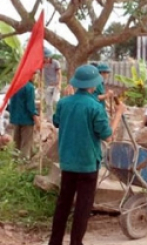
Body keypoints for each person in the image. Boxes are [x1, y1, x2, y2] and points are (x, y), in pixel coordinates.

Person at [48, 65, 126, 245]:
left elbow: (56, 122)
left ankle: (55, 241)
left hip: (67, 162)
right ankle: (76, 242)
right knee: (83, 206)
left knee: (63, 204)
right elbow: (107, 135)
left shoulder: (64, 102)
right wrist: (118, 115)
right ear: (93, 85)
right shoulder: (95, 107)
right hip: (88, 164)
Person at [9, 74, 41, 159]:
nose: (35, 76)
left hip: (15, 118)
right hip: (26, 119)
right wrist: (37, 120)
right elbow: (30, 106)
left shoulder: (15, 85)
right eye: (34, 74)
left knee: (16, 143)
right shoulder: (29, 87)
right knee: (26, 144)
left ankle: (14, 162)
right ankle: (23, 164)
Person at [43, 47, 62, 122]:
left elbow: (59, 74)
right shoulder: (42, 64)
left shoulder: (55, 63)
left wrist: (59, 84)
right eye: (45, 57)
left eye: (47, 57)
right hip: (47, 85)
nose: (46, 59)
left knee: (56, 101)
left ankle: (58, 118)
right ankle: (50, 119)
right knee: (48, 104)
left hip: (55, 85)